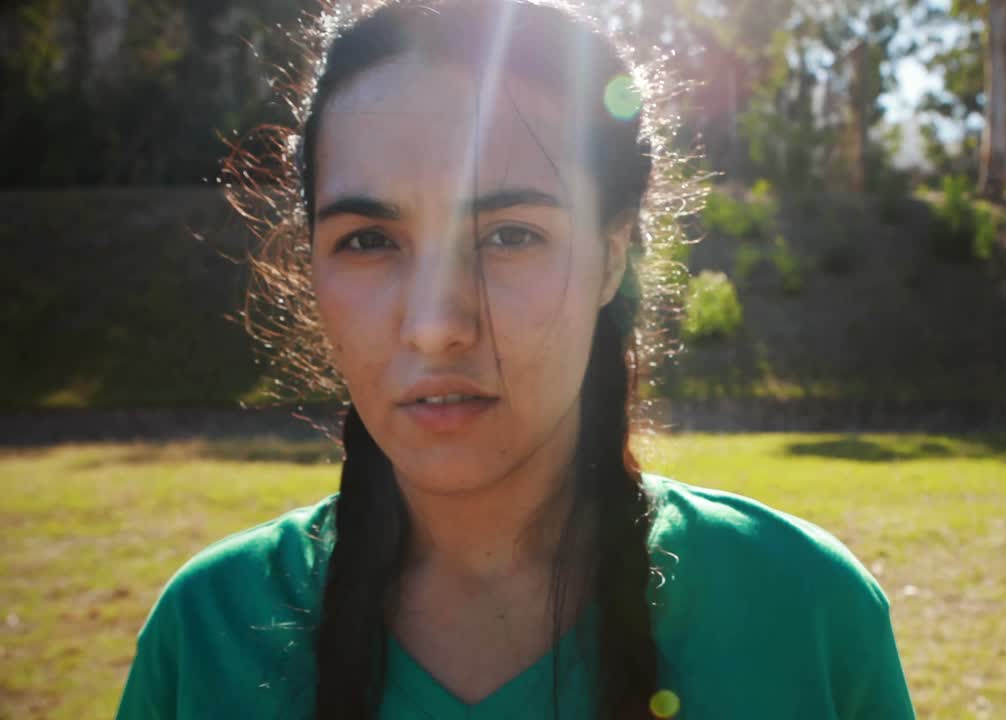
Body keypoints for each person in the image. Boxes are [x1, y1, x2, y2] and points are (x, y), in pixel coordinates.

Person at [115, 1, 915, 718]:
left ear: (611, 257)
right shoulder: (208, 634)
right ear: (309, 269)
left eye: (510, 235)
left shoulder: (804, 611)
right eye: (369, 241)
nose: (436, 328)